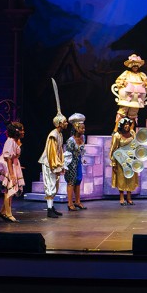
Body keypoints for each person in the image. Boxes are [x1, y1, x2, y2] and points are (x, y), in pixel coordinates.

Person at [38, 87, 68, 218]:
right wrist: (56, 165)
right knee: (50, 185)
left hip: (54, 163)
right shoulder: (53, 135)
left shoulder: (60, 134)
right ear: (59, 123)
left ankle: (52, 207)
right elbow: (51, 153)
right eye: (64, 122)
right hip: (49, 163)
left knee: (55, 184)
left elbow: (59, 151)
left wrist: (61, 163)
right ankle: (49, 209)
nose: (66, 123)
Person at [0, 121, 25, 223]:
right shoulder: (10, 141)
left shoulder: (15, 141)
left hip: (12, 165)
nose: (23, 132)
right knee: (9, 190)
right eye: (22, 130)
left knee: (11, 190)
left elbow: (14, 157)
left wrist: (17, 167)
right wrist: (12, 174)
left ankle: (2, 212)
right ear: (16, 131)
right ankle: (8, 214)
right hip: (7, 166)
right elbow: (8, 158)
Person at [112, 54, 147, 131]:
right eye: (134, 66)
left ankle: (131, 130)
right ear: (131, 66)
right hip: (127, 96)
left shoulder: (142, 75)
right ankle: (116, 130)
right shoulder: (126, 73)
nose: (135, 67)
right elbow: (118, 81)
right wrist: (124, 82)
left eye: (136, 66)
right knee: (122, 112)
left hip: (137, 98)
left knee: (133, 114)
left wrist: (144, 84)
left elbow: (146, 84)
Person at [109, 117, 139, 206]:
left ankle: (129, 197)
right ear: (121, 125)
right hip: (121, 160)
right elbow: (113, 149)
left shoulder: (132, 133)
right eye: (125, 124)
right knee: (121, 179)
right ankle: (121, 198)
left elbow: (136, 145)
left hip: (131, 159)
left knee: (130, 178)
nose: (127, 126)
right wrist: (113, 163)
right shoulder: (117, 135)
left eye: (128, 124)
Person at [64, 113, 87, 211]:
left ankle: (77, 201)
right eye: (82, 128)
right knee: (71, 181)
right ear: (77, 128)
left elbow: (81, 150)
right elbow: (68, 154)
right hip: (71, 163)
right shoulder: (70, 141)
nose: (84, 130)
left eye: (84, 128)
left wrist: (83, 158)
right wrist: (65, 166)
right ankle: (70, 203)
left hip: (78, 161)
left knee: (78, 180)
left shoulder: (83, 137)